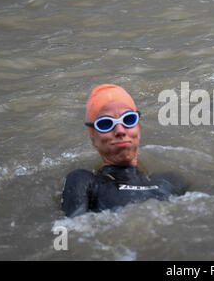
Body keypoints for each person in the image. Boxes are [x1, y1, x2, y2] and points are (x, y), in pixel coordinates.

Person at [61, 84, 186, 217]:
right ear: (94, 139)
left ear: (139, 128)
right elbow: (73, 228)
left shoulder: (172, 180)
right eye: (106, 124)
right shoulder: (85, 181)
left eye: (128, 119)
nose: (120, 130)